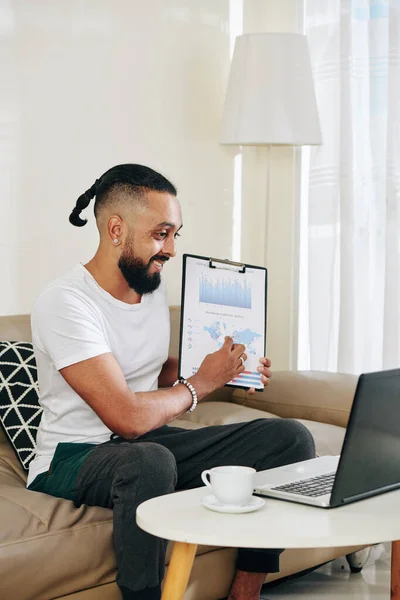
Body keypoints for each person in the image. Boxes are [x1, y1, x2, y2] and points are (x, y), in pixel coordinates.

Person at [27, 164, 315, 600]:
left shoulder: (152, 287)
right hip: (74, 455)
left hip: (149, 440)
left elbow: (155, 371)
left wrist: (227, 372)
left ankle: (247, 589)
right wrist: (200, 383)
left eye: (176, 234)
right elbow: (125, 416)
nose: (171, 250)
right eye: (161, 234)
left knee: (290, 438)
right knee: (149, 461)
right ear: (116, 229)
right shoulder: (65, 302)